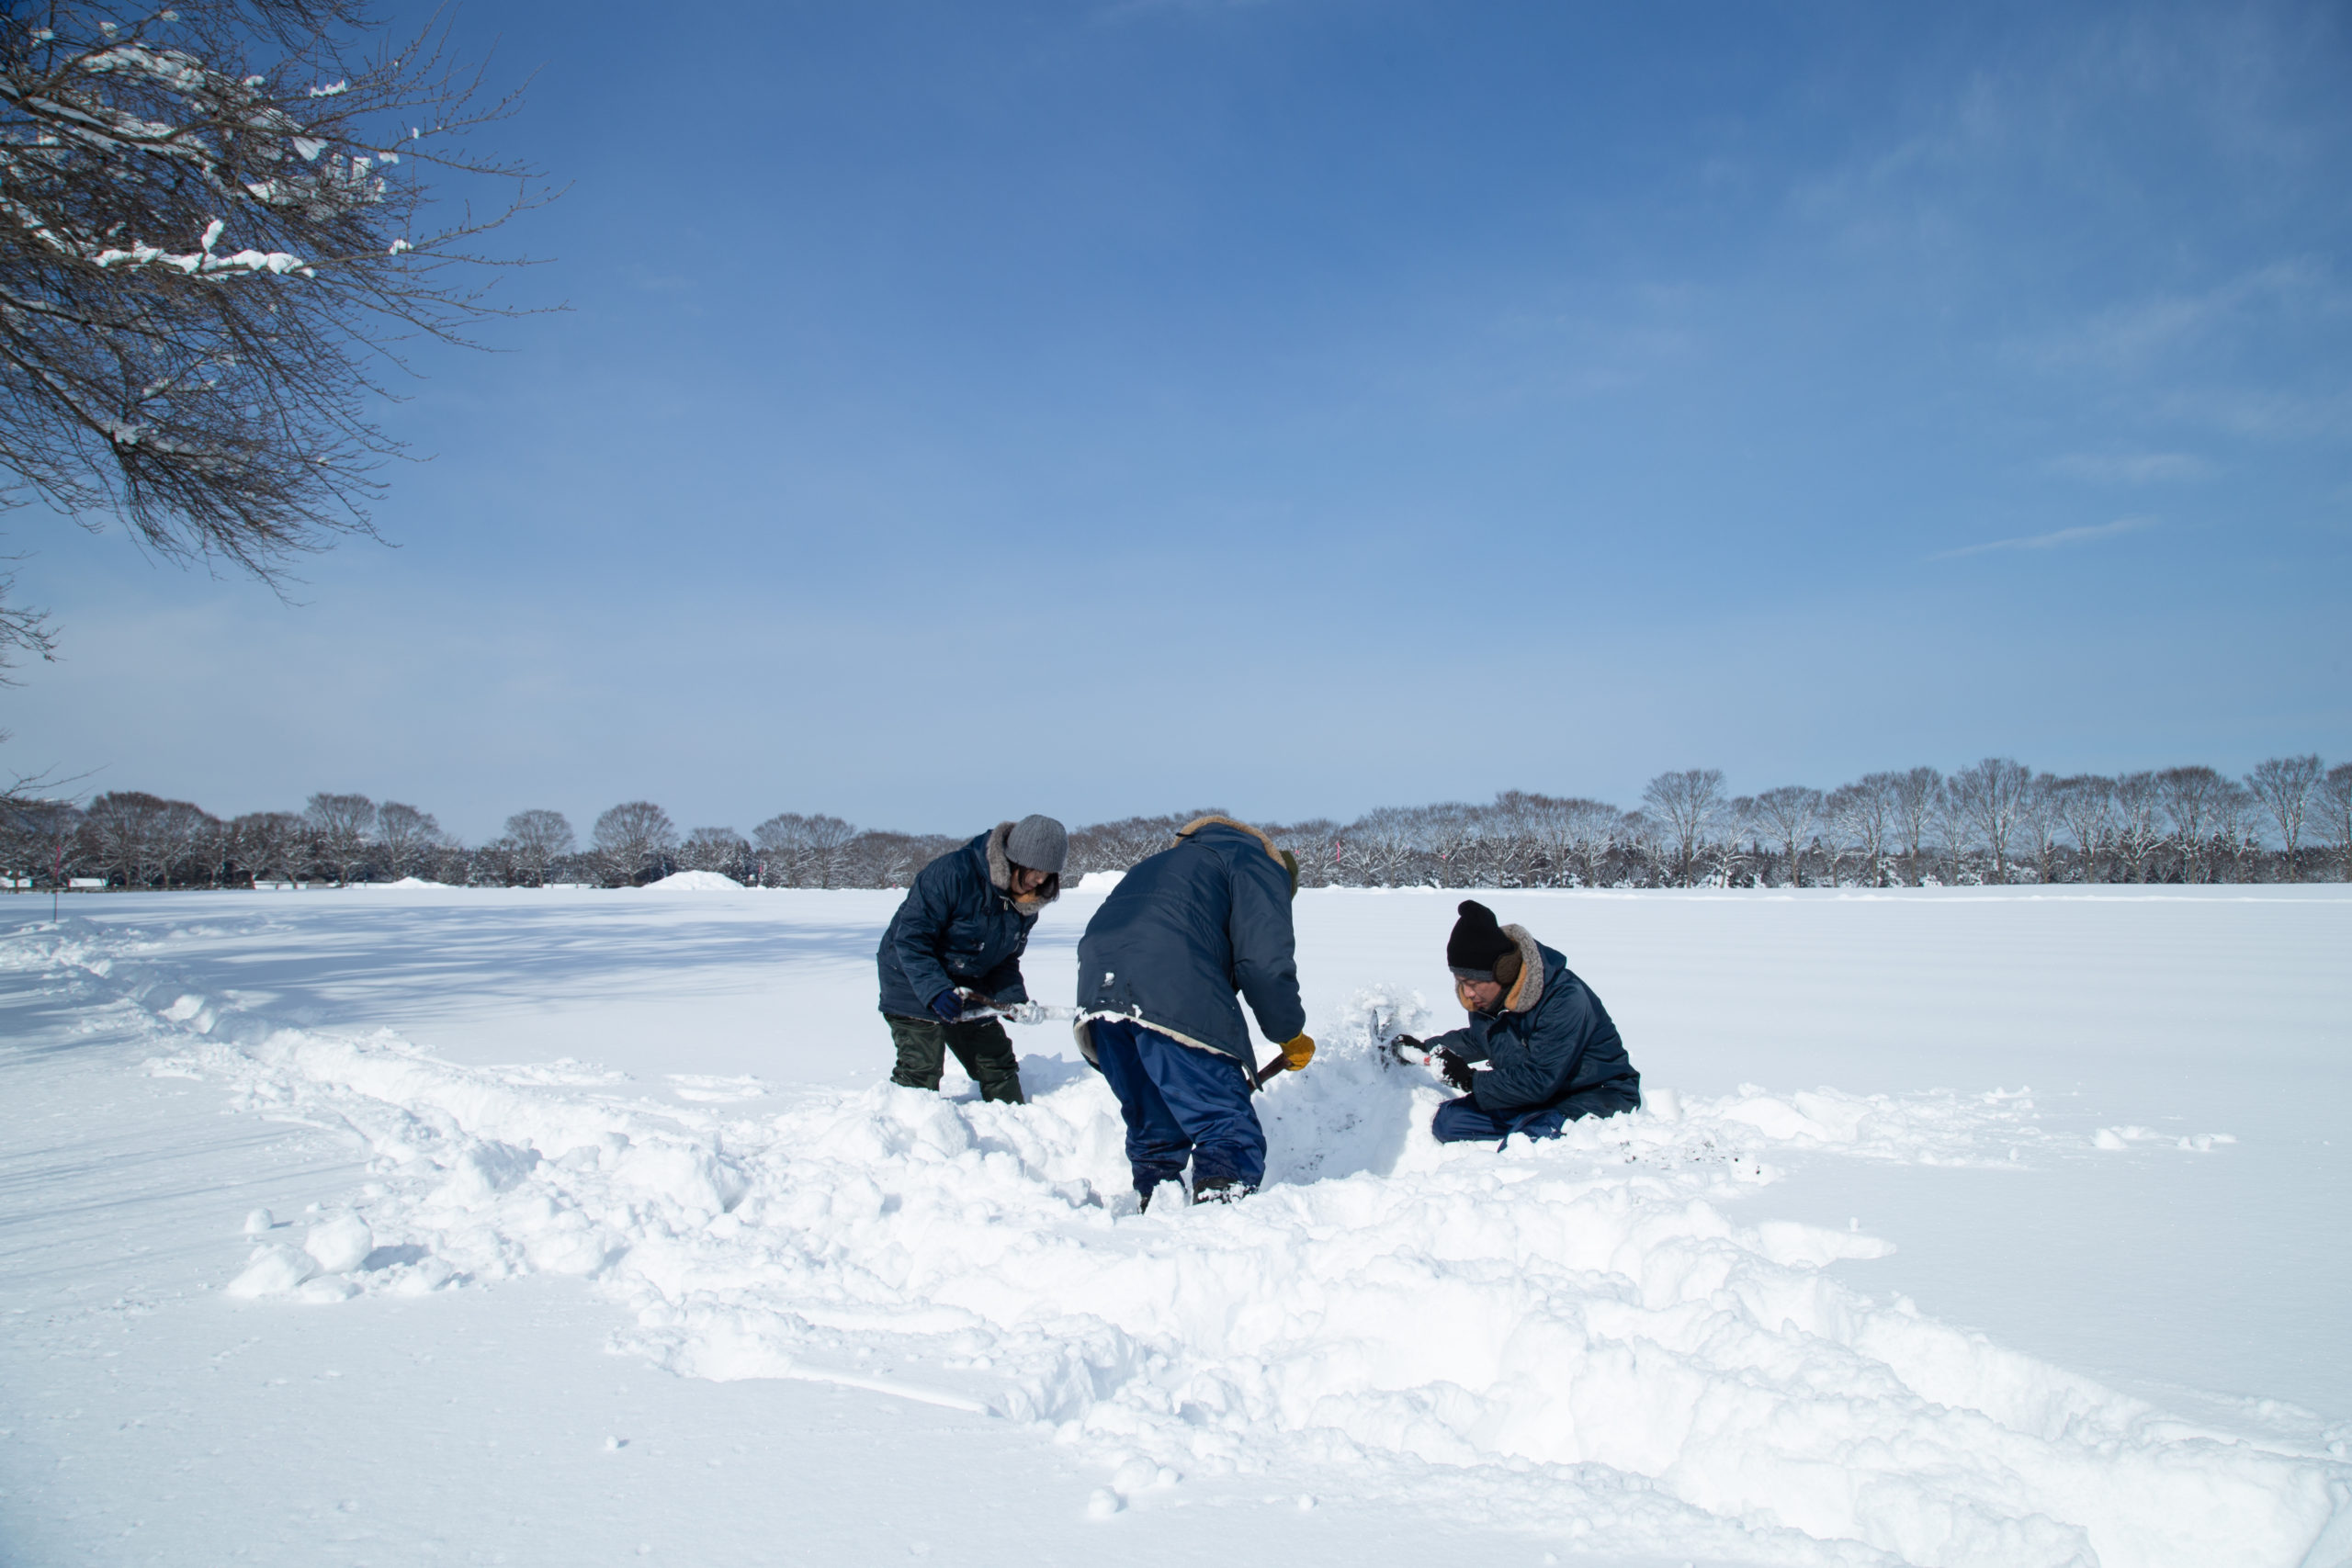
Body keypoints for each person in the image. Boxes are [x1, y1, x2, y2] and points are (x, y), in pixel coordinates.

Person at [1074, 816, 1313, 1207]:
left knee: (1155, 1123)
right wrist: (1289, 1033)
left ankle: (1155, 1206)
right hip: (1170, 980)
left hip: (1099, 988)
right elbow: (1264, 965)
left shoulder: (1166, 863)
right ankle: (1218, 1219)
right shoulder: (1259, 865)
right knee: (1223, 1123)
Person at [1393, 899, 1639, 1144]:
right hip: (1537, 1097)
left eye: (1474, 983)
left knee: (1524, 1141)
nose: (1467, 993)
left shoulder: (1564, 999)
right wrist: (1425, 1048)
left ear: (1504, 972)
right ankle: (1529, 1123)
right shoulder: (1488, 1000)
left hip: (1595, 1094)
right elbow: (1481, 1038)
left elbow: (1540, 1078)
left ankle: (1538, 1129)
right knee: (1449, 1121)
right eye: (1461, 981)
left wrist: (1470, 1080)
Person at [876, 815, 1067, 1104]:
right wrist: (936, 990)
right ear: (1013, 861)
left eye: (1048, 874)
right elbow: (911, 940)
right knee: (921, 1068)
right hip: (910, 976)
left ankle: (1013, 1125)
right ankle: (904, 1135)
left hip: (969, 982)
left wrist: (1013, 1000)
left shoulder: (1026, 902)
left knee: (997, 1062)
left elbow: (1005, 961)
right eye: (1035, 871)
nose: (1040, 881)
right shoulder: (951, 875)